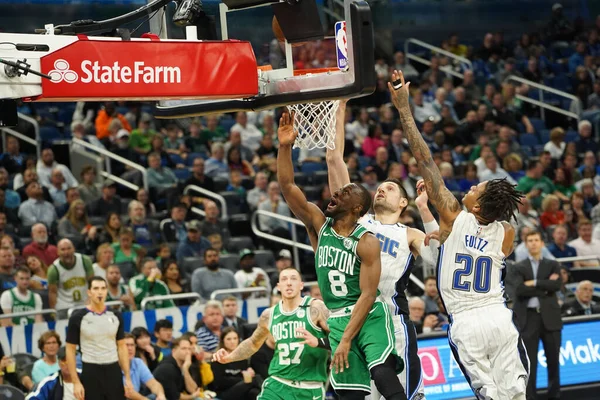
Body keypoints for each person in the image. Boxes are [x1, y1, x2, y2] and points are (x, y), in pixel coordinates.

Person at [389, 70, 528, 399]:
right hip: (498, 316)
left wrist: (404, 110)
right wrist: (436, 227)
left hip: (466, 323)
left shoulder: (454, 216)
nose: (470, 186)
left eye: (476, 189)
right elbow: (477, 240)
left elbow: (424, 158)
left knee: (489, 396)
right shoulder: (506, 233)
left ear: (478, 208)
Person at [277, 110, 406, 399]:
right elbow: (288, 187)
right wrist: (285, 146)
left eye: (344, 194)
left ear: (357, 208)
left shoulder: (367, 242)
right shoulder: (318, 225)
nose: (334, 195)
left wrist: (347, 339)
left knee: (383, 375)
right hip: (336, 319)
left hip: (368, 316)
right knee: (350, 396)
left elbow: (367, 295)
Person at [326, 100, 439, 398]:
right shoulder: (359, 220)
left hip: (392, 317)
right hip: (359, 318)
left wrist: (425, 209)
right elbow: (335, 160)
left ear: (403, 203)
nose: (381, 189)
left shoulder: (410, 233)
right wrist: (339, 109)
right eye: (380, 187)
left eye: (390, 188)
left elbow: (436, 258)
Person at [213, 267, 330, 400]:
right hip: (277, 385)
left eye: (293, 278)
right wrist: (229, 357)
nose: (289, 283)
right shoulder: (269, 315)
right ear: (279, 286)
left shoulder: (316, 308)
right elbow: (252, 343)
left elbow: (342, 338)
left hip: (309, 387)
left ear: (301, 285)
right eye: (284, 279)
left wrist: (318, 342)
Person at [507, 231, 562, 400]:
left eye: (536, 240)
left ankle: (555, 396)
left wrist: (535, 283)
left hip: (550, 319)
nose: (533, 243)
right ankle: (530, 397)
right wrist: (545, 286)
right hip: (528, 319)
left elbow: (557, 285)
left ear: (542, 243)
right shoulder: (518, 266)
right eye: (529, 240)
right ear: (526, 244)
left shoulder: (553, 264)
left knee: (553, 362)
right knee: (529, 363)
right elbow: (519, 290)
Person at [66, 277, 133, 400]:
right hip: (91, 370)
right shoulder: (78, 317)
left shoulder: (116, 315)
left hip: (113, 369)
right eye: (96, 288)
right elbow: (70, 350)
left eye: (103, 288)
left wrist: (127, 377)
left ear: (107, 291)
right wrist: (76, 382)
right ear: (89, 292)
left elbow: (122, 346)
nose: (100, 292)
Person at [209, 328, 263, 400]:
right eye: (229, 339)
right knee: (255, 380)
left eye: (235, 338)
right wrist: (243, 379)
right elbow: (220, 382)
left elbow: (246, 375)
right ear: (223, 341)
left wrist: (248, 374)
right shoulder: (218, 357)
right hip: (224, 392)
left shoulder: (242, 358)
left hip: (243, 388)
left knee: (254, 392)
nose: (232, 342)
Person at [48, 239, 94, 316]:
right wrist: (54, 312)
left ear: (74, 249)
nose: (66, 252)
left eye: (69, 248)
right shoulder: (53, 269)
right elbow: (52, 293)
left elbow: (92, 283)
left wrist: (91, 300)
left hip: (85, 303)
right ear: (58, 252)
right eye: (63, 249)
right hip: (64, 306)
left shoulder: (85, 260)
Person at [122, 333, 166, 400]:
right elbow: (127, 392)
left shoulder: (137, 362)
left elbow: (153, 383)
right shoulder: (112, 365)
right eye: (126, 345)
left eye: (132, 345)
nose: (130, 348)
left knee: (155, 396)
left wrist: (161, 395)